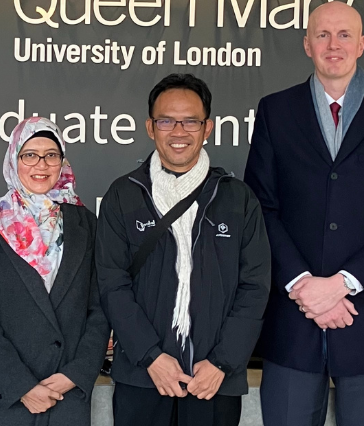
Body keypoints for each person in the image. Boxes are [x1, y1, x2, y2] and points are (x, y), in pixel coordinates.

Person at [244, 1, 364, 426]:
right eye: (322, 35)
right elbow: (260, 207)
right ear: (307, 44)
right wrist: (303, 284)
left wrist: (343, 285)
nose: (333, 44)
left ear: (361, 44)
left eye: (344, 35)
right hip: (294, 319)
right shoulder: (276, 110)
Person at [96, 73, 271, 426]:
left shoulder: (237, 199)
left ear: (207, 128)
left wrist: (223, 362)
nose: (179, 131)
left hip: (213, 382)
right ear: (150, 127)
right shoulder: (124, 195)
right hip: (143, 377)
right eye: (166, 121)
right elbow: (112, 283)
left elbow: (255, 287)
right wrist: (150, 357)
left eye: (190, 121)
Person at [0, 117, 110, 426]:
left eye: (51, 154)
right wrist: (21, 386)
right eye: (30, 154)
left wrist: (75, 374)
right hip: (0, 398)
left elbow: (100, 310)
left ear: (62, 161)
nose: (41, 164)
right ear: (14, 159)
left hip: (64, 396)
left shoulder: (87, 225)